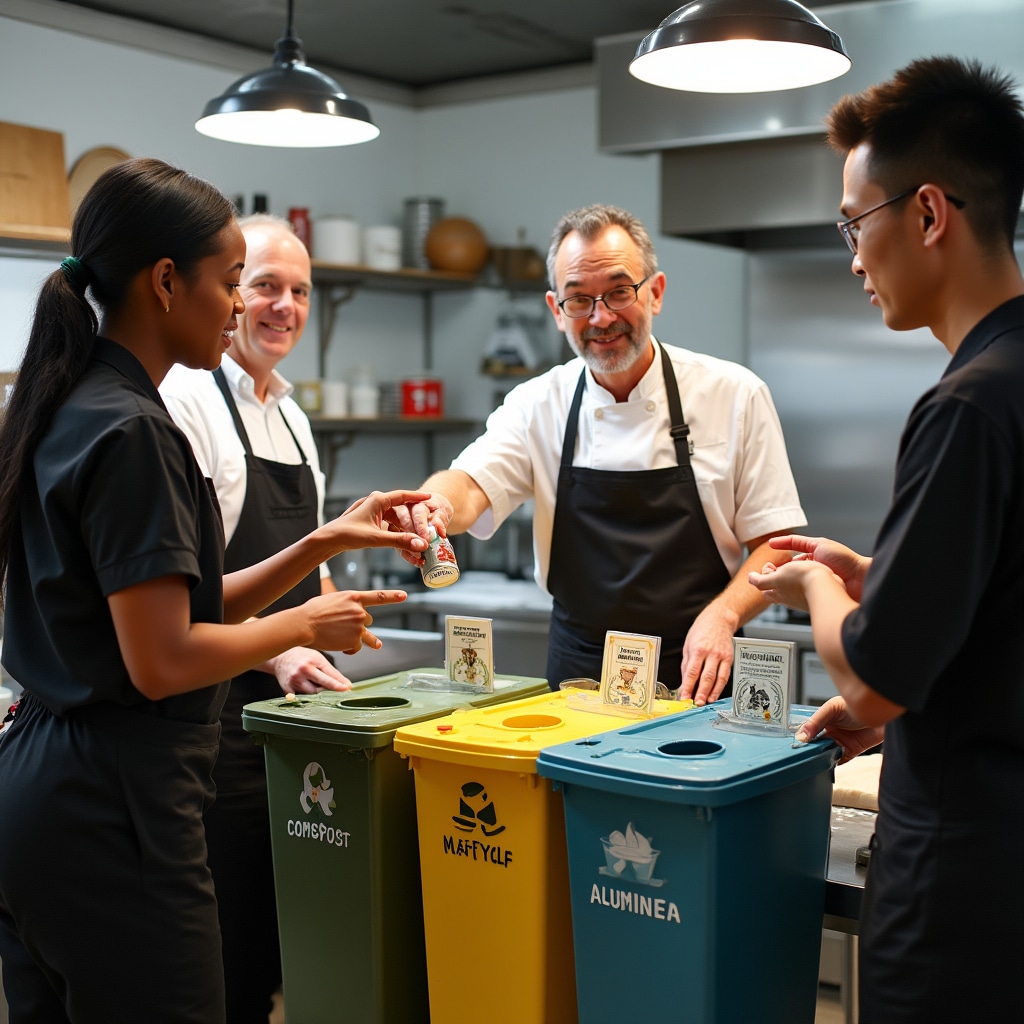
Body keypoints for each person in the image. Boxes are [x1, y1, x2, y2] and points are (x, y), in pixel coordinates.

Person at [0, 157, 427, 1024]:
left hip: (40, 797)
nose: (241, 306)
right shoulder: (137, 434)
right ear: (165, 283)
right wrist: (299, 623)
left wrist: (318, 542)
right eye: (234, 282)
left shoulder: (75, 403)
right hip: (114, 812)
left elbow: (168, 609)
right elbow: (161, 660)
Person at [747, 57, 1024, 1022]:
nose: (854, 256)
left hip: (963, 879)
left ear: (929, 213)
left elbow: (869, 681)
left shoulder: (968, 406)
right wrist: (885, 580)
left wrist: (825, 586)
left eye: (854, 224)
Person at [399, 204, 805, 698]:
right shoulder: (537, 403)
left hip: (702, 668)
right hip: (579, 674)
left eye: (618, 292)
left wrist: (725, 613)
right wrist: (434, 504)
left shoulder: (734, 394)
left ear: (655, 292)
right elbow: (467, 483)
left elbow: (777, 542)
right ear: (556, 310)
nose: (601, 317)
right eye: (579, 300)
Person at [160, 214, 339, 1023]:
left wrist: (330, 620)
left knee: (286, 936)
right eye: (265, 284)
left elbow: (307, 558)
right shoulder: (188, 398)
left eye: (300, 290)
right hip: (216, 721)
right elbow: (185, 587)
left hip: (295, 716)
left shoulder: (294, 416)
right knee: (224, 950)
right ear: (230, 291)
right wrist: (281, 650)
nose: (283, 306)